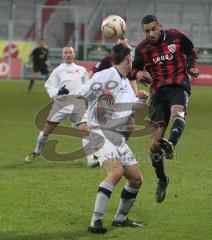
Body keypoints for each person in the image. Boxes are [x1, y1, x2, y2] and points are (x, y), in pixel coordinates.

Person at [78, 43, 148, 234]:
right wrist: (100, 90)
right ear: (128, 59)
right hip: (99, 132)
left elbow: (128, 109)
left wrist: (141, 100)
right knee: (116, 172)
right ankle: (96, 221)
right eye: (131, 57)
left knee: (135, 179)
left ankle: (121, 218)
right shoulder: (106, 74)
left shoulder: (124, 80)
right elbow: (82, 91)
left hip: (117, 135)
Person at [130, 15, 199, 203]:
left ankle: (171, 145)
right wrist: (139, 73)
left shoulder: (176, 37)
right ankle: (162, 179)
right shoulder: (142, 49)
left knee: (178, 113)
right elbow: (133, 70)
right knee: (154, 145)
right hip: (158, 93)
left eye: (154, 29)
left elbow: (191, 51)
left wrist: (192, 67)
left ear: (160, 26)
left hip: (178, 85)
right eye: (147, 31)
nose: (151, 33)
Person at [25, 47, 99, 168]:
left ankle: (91, 161)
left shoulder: (81, 70)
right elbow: (49, 86)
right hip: (61, 103)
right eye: (66, 53)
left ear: (74, 55)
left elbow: (87, 85)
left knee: (85, 130)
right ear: (62, 55)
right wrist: (58, 91)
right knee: (46, 131)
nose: (68, 54)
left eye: (70, 52)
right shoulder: (58, 70)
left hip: (77, 102)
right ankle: (37, 151)